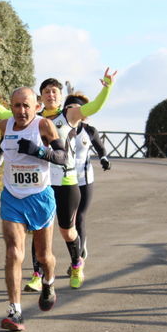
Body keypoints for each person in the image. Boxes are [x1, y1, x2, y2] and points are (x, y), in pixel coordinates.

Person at [0, 68, 116, 290]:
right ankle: (37, 275)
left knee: (67, 231)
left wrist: (107, 87)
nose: (51, 95)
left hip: (66, 182)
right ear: (40, 99)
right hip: (41, 184)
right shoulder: (30, 118)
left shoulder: (69, 115)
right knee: (36, 229)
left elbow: (93, 107)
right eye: (47, 91)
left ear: (60, 96)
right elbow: (3, 114)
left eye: (55, 91)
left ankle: (77, 263)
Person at [0, 86, 68, 331]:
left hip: (40, 197)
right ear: (11, 106)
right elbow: (3, 148)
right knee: (14, 252)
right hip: (12, 197)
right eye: (17, 106)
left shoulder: (43, 126)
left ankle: (49, 282)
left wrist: (38, 150)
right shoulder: (5, 125)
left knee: (43, 256)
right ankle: (15, 311)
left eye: (26, 105)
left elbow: (63, 158)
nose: (22, 111)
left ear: (36, 106)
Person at [67, 93, 112, 260]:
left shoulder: (89, 130)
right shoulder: (60, 128)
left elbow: (100, 148)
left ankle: (79, 252)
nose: (72, 111)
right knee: (66, 221)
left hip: (84, 180)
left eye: (76, 108)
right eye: (69, 107)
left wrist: (104, 159)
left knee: (79, 216)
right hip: (64, 181)